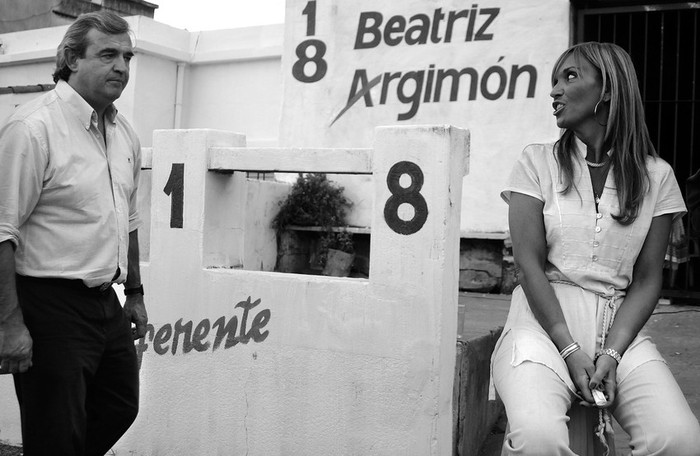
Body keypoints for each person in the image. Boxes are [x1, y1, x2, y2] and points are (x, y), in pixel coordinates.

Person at [491, 42, 700, 455]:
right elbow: (528, 266)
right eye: (554, 80)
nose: (554, 90)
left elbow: (646, 279)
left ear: (608, 89)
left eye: (569, 77)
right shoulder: (536, 163)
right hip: (540, 322)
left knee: (679, 438)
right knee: (538, 437)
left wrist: (613, 352)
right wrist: (568, 348)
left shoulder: (658, 177)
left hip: (616, 324)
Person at [0, 11, 148, 456]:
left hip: (106, 303)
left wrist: (136, 292)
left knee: (120, 405)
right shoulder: (32, 128)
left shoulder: (124, 133)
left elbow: (129, 220)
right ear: (70, 58)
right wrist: (8, 323)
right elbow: (2, 231)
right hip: (48, 305)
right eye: (107, 54)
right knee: (56, 430)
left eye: (127, 56)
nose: (121, 66)